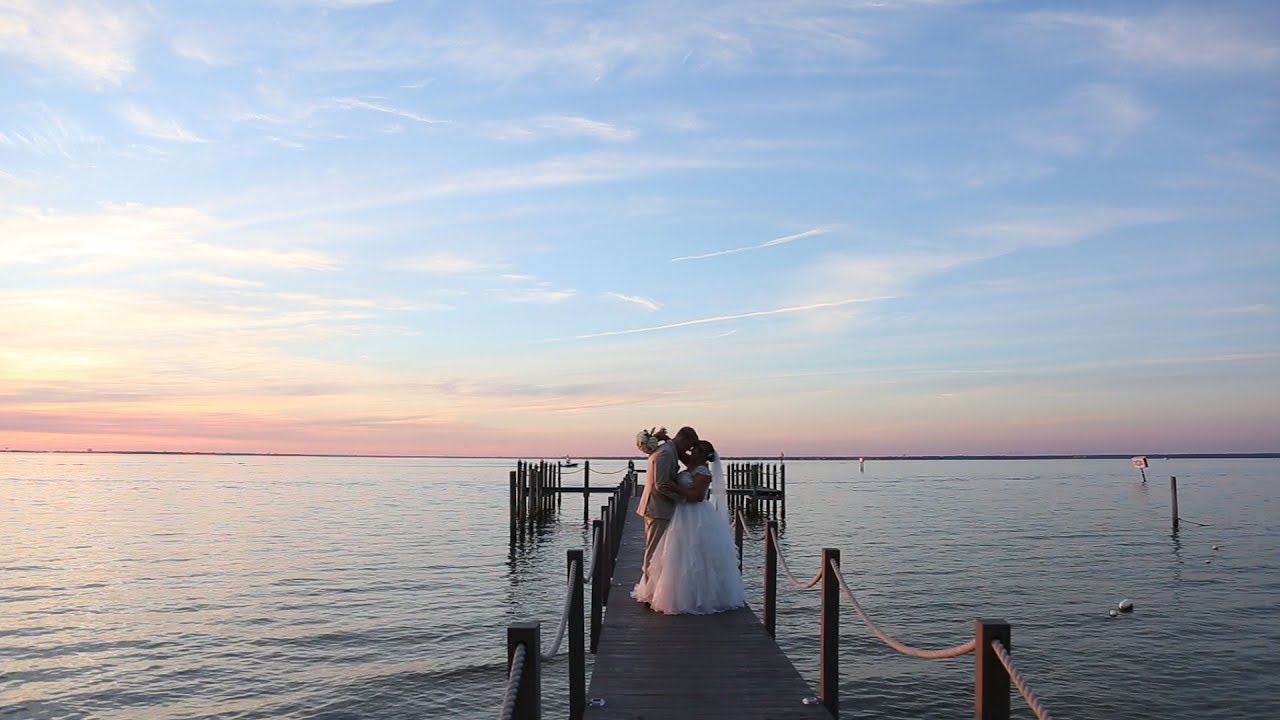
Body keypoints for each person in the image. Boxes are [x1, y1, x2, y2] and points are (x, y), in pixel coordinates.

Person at [631, 439, 747, 615]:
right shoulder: (691, 463)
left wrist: (675, 488)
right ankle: (669, 591)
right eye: (692, 449)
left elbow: (698, 496)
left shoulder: (703, 472)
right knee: (675, 553)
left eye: (696, 450)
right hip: (680, 512)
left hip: (695, 514)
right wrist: (658, 439)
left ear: (704, 455)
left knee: (694, 554)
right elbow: (675, 449)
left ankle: (697, 596)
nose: (692, 452)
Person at [636, 426, 701, 589]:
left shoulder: (667, 449)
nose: (687, 450)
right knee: (654, 551)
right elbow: (662, 485)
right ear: (683, 439)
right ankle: (649, 589)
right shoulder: (666, 453)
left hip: (658, 507)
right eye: (688, 446)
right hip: (658, 508)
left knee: (659, 550)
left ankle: (654, 587)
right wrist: (683, 499)